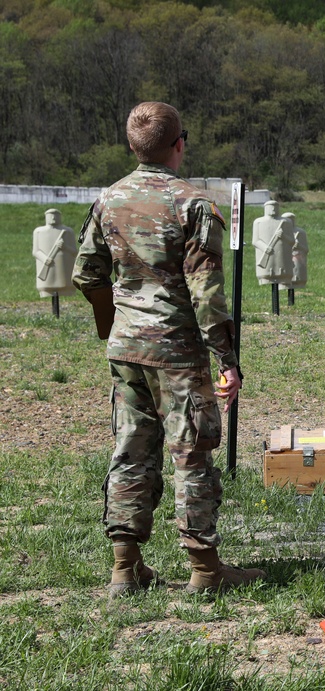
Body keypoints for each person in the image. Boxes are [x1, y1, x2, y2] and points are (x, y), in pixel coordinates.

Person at [73, 102, 266, 598]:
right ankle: (204, 571)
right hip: (178, 353)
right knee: (192, 455)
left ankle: (125, 568)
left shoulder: (108, 199)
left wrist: (114, 321)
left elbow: (86, 274)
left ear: (132, 147)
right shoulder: (193, 204)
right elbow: (207, 294)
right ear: (180, 144)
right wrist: (228, 361)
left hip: (127, 350)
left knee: (132, 450)